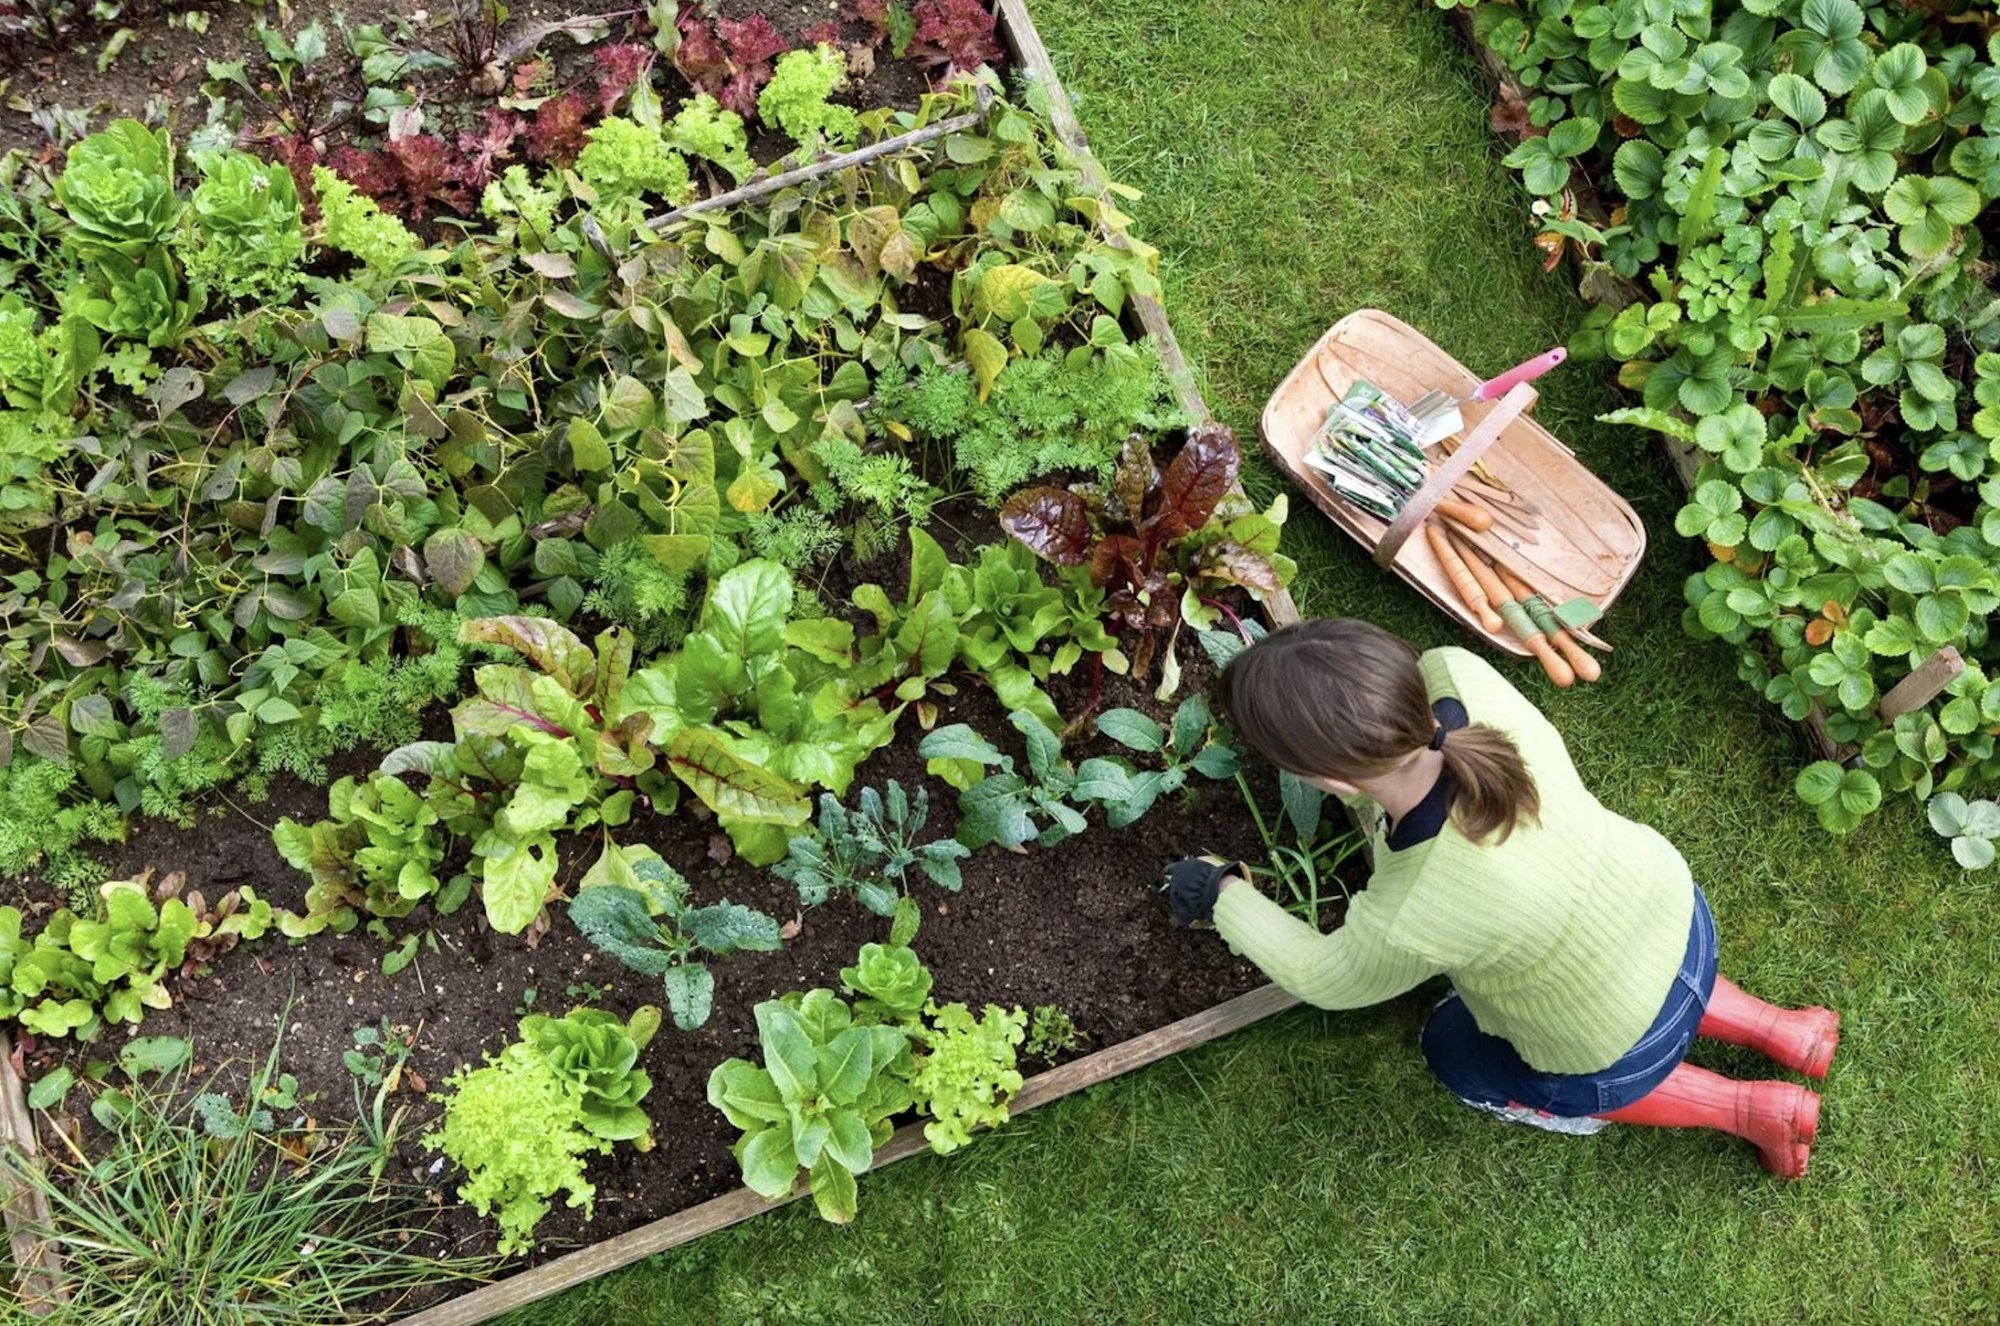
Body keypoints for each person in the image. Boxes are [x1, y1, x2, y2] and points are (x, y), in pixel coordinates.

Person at [1163, 619, 1838, 1176]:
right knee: (1629, 969)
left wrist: (1221, 893)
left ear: (1332, 783)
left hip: (1610, 1043)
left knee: (1453, 1050)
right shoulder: (1460, 676)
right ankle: (1785, 1030)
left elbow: (1325, 976)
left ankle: (1751, 1110)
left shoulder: (1414, 907)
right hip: (1675, 914)